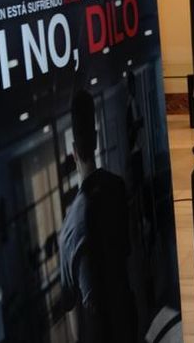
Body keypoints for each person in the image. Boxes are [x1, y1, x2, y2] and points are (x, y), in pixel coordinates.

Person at [59, 89, 139, 343]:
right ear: (95, 138)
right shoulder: (117, 187)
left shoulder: (69, 227)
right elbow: (126, 249)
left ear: (73, 152)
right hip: (126, 313)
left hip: (96, 332)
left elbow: (69, 300)